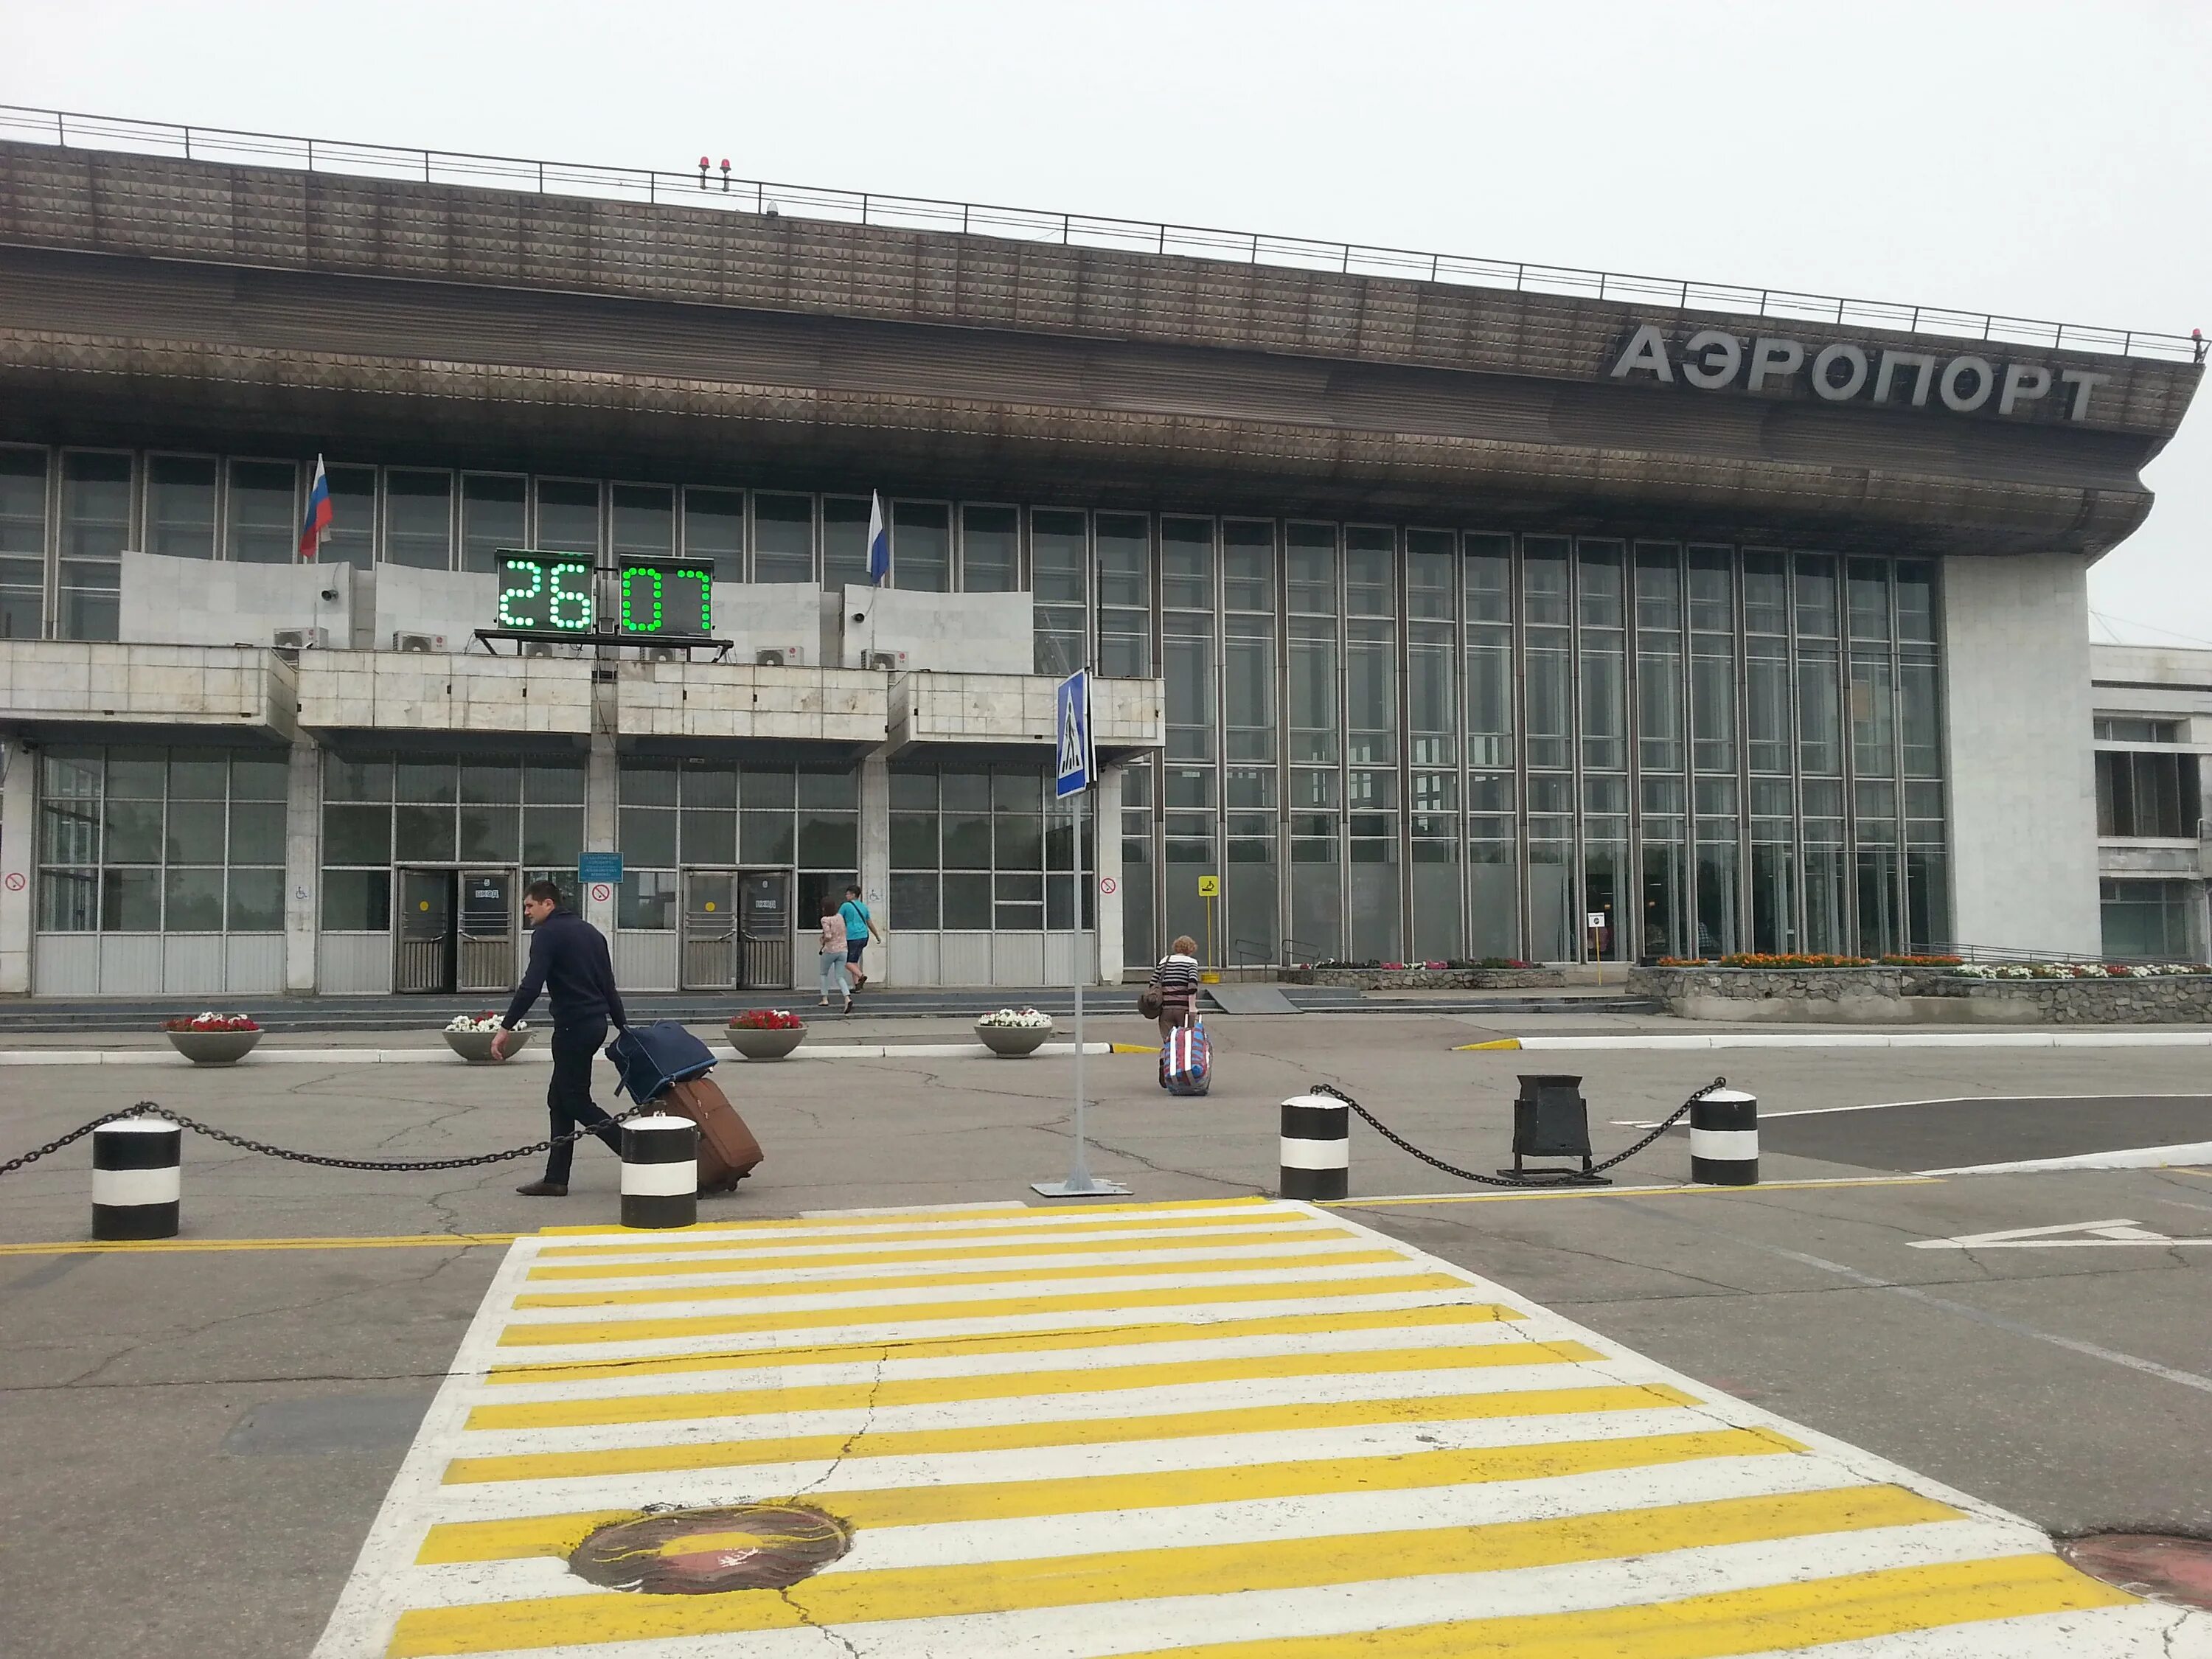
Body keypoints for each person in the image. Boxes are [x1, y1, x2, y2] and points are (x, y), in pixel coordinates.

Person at [493, 880, 628, 1197]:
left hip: (572, 1027)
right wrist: (622, 1026)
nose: (526, 912)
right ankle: (556, 1178)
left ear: (548, 904)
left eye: (530, 906)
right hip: (594, 1024)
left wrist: (505, 1027)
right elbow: (608, 985)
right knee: (560, 1099)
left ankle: (641, 1154)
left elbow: (531, 985)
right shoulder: (592, 933)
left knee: (575, 1099)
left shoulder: (547, 935)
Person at [1148, 934, 1202, 1045]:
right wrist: (1192, 1007)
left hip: (1165, 1009)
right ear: (1191, 949)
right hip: (1183, 1009)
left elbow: (1153, 984)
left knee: (1168, 1042)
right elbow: (1192, 984)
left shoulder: (1164, 961)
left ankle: (1167, 1059)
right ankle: (1181, 1061)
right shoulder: (1191, 962)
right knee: (1184, 1041)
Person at [838, 884, 883, 995]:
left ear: (853, 895)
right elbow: (869, 923)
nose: (846, 895)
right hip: (864, 936)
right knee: (854, 961)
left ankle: (861, 976)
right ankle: (857, 986)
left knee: (847, 962)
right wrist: (877, 935)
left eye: (848, 893)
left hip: (852, 936)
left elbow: (838, 920)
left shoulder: (846, 906)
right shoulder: (863, 906)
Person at [816, 892, 851, 1012]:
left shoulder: (825, 919)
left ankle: (825, 999)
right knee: (840, 976)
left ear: (824, 907)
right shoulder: (840, 917)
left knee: (823, 974)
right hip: (843, 950)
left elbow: (828, 935)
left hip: (830, 950)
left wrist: (822, 940)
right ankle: (847, 998)